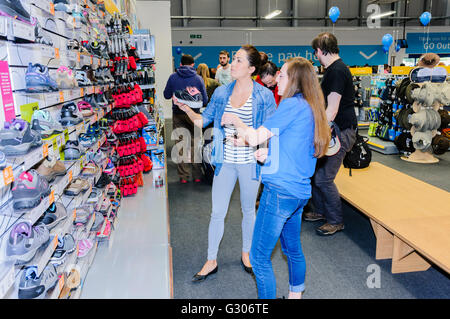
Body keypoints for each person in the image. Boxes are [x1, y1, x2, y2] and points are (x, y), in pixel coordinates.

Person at [221, 57, 330, 299]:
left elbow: (256, 135)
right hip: (299, 193)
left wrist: (236, 120)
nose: (275, 79)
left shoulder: (291, 105)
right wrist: (269, 153)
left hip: (279, 193)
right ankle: (295, 296)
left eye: (281, 75)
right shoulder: (310, 107)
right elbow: (297, 146)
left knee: (259, 258)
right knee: (292, 250)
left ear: (295, 80)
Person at [174, 45, 277, 282]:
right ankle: (211, 260)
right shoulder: (221, 93)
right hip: (225, 163)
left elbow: (269, 130)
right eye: (233, 59)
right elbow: (202, 121)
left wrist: (244, 133)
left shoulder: (264, 96)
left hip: (251, 163)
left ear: (251, 68)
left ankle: (246, 254)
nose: (233, 64)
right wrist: (187, 109)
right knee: (217, 212)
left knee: (248, 210)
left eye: (239, 61)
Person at [304, 32, 357, 236]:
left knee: (324, 179)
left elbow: (332, 109)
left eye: (315, 52)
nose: (315, 56)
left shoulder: (336, 71)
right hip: (337, 129)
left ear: (319, 50)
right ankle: (321, 211)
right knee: (318, 174)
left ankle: (336, 220)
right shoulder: (335, 69)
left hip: (341, 131)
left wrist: (318, 131)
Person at [163, 54, 208, 184]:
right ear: (193, 65)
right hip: (194, 116)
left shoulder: (173, 77)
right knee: (195, 145)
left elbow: (166, 95)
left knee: (181, 145)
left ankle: (183, 176)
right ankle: (197, 175)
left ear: (180, 64)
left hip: (178, 114)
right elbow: (204, 100)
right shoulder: (198, 79)